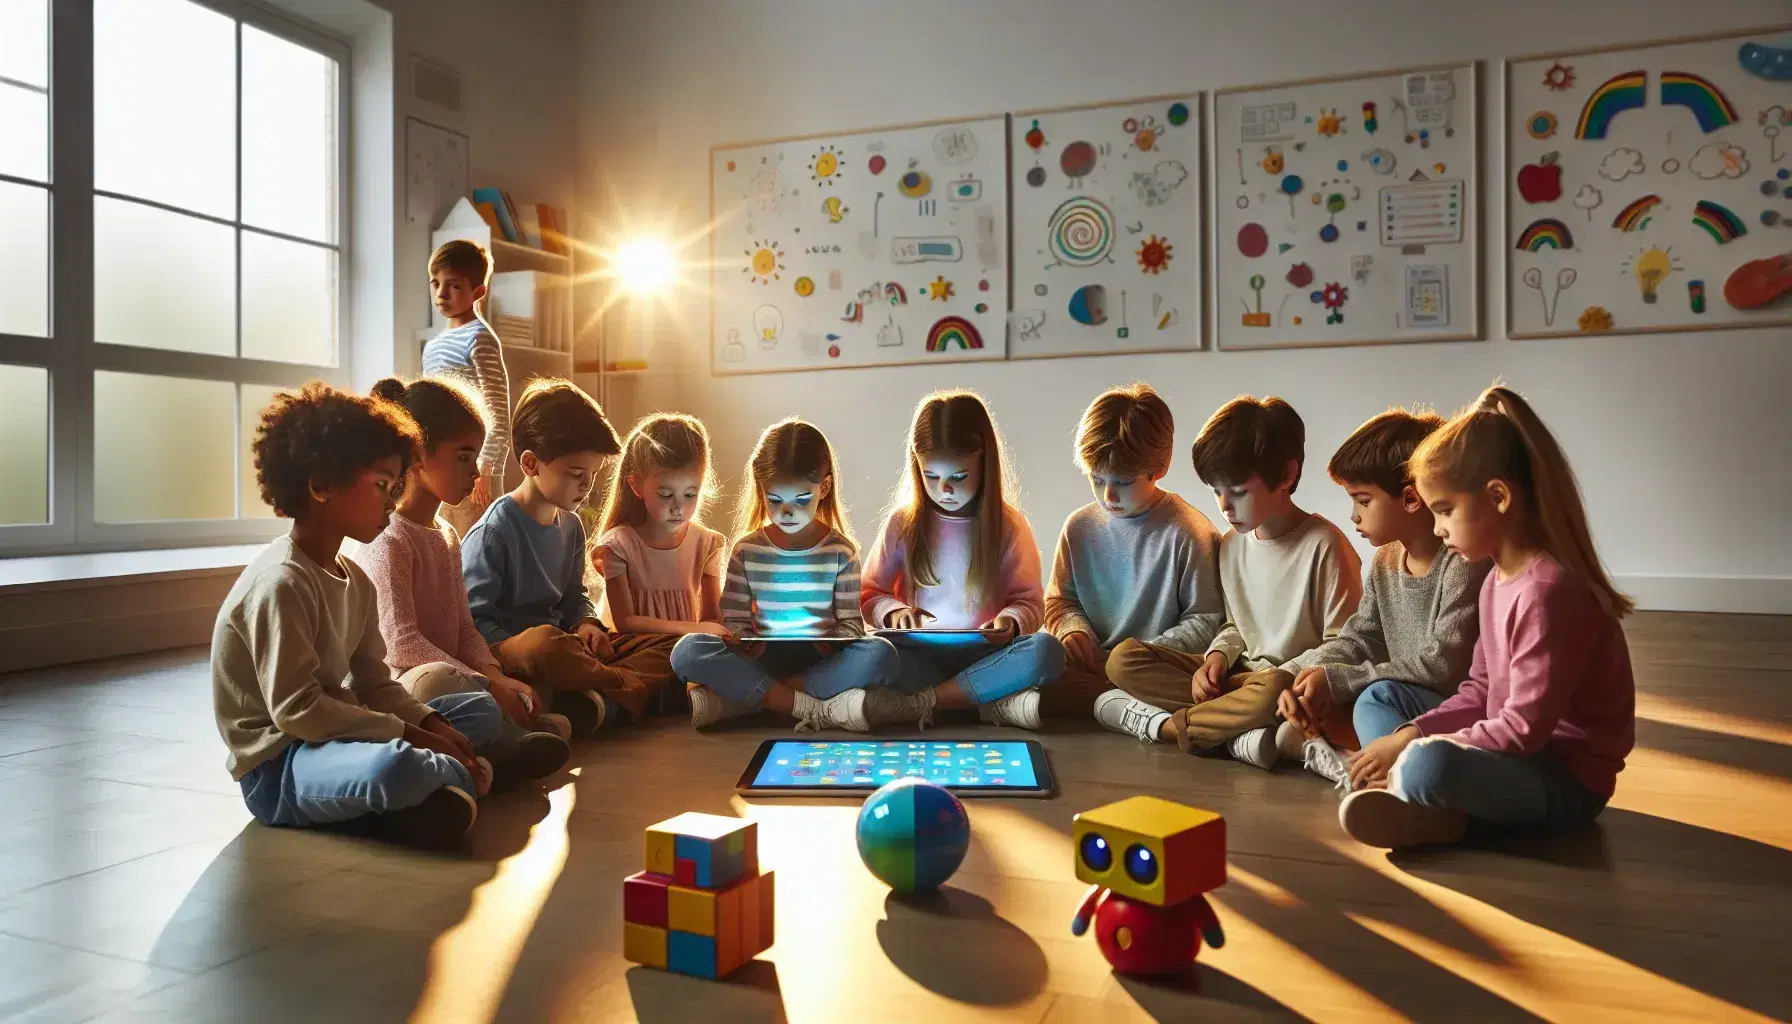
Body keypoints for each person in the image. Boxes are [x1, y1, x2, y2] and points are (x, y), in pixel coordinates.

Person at [1339, 386, 1635, 849]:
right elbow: (1480, 690)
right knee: (1377, 700)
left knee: (1426, 763)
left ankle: (1419, 799)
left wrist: (1411, 748)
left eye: (1445, 511)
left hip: (1561, 780)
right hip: (1508, 751)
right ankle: (1418, 801)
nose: (1437, 528)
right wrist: (1411, 731)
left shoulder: (1550, 591)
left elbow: (1522, 729)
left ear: (1498, 497)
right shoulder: (1496, 577)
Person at [213, 383, 501, 848]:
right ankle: (444, 780)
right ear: (321, 486)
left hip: (335, 733)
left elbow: (375, 685)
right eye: (382, 485)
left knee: (474, 713)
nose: (392, 501)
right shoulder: (282, 582)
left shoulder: (355, 579)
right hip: (282, 766)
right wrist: (408, 734)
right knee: (395, 764)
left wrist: (431, 726)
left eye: (396, 485)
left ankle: (440, 783)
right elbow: (298, 712)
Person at [1104, 396, 1361, 768]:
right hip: (1240, 681)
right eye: (1216, 491)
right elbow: (1235, 625)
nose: (1224, 505)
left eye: (1237, 491)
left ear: (1286, 476)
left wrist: (1285, 674)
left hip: (1285, 685)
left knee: (1270, 689)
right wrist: (1217, 658)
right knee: (1123, 660)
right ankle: (1238, 733)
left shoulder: (1326, 545)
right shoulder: (1231, 543)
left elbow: (1344, 644)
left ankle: (1172, 729)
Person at [355, 376, 571, 786]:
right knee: (443, 680)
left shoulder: (447, 534)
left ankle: (492, 744)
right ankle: (500, 746)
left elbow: (464, 629)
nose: (476, 471)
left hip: (459, 681)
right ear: (418, 455)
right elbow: (402, 645)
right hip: (406, 684)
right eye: (464, 457)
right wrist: (487, 685)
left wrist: (497, 676)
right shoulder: (391, 538)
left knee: (503, 687)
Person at [1276, 407, 1490, 787]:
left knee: (1374, 696)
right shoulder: (1387, 559)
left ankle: (1387, 779)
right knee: (1298, 722)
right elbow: (1361, 637)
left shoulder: (1463, 563)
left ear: (1410, 499)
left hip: (1446, 710)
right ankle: (1363, 766)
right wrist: (1300, 676)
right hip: (1396, 697)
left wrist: (1342, 681)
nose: (1354, 516)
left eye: (1363, 500)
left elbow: (1441, 665)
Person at [462, 379, 665, 734]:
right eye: (576, 474)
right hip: (519, 652)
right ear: (530, 463)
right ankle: (623, 691)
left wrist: (587, 624)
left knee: (671, 647)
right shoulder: (492, 533)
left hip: (568, 649)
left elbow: (574, 596)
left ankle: (598, 698)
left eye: (593, 475)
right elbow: (476, 625)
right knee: (544, 644)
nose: (586, 486)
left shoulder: (570, 526)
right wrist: (545, 645)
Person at [670, 418, 898, 731]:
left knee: (881, 654)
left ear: (825, 487)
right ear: (761, 490)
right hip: (763, 657)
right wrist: (741, 638)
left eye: (801, 500)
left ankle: (749, 701)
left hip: (819, 660)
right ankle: (815, 707)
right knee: (688, 650)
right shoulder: (746, 550)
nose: (786, 513)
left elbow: (851, 624)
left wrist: (823, 638)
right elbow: (733, 618)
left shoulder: (840, 552)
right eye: (775, 500)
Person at [858, 390, 1064, 730]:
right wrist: (893, 613)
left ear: (984, 464)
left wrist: (1010, 622)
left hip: (983, 655)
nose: (944, 490)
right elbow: (869, 594)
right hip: (919, 655)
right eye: (931, 477)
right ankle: (983, 701)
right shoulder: (903, 524)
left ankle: (926, 703)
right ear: (916, 466)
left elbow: (1029, 602)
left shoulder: (1009, 526)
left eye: (958, 477)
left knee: (1046, 650)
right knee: (871, 656)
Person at [1041, 384, 1223, 724]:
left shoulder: (1188, 532)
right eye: (1096, 479)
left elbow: (1206, 620)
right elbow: (1058, 601)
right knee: (1037, 655)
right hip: (1091, 665)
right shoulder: (1078, 527)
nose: (1108, 494)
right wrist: (1073, 631)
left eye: (1123, 481)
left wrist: (1138, 653)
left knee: (1119, 669)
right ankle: (1121, 710)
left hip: (1147, 666)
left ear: (1159, 467)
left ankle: (1115, 707)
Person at [591, 413, 726, 714]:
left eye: (690, 494)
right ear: (636, 486)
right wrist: (691, 630)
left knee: (707, 657)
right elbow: (625, 623)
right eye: (665, 494)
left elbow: (712, 617)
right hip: (637, 650)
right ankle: (614, 702)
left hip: (688, 650)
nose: (679, 506)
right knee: (661, 661)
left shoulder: (707, 543)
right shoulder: (618, 544)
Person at [422, 239, 511, 541]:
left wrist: (486, 469)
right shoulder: (432, 347)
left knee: (477, 553)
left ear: (478, 291)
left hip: (474, 473)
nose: (441, 293)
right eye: (436, 283)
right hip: (440, 471)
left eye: (454, 286)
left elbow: (498, 412)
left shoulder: (480, 338)